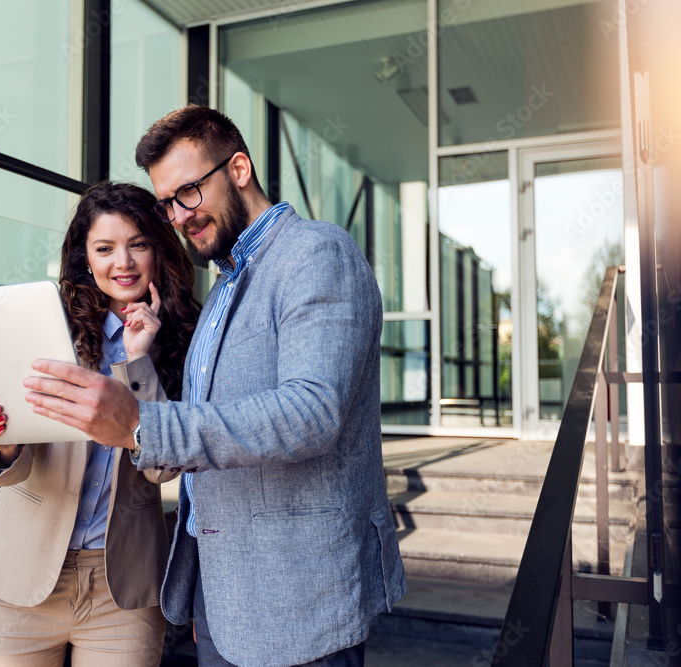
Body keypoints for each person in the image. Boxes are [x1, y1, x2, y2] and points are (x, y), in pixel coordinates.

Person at [22, 106, 407, 667]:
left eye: (190, 193)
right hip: (228, 597)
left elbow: (312, 412)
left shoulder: (315, 253)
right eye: (168, 203)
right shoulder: (227, 282)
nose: (179, 216)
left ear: (240, 169)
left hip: (298, 595)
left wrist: (138, 423)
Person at [0, 181, 200, 666]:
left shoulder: (188, 340)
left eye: (138, 244)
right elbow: (13, 458)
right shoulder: (47, 328)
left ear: (159, 250)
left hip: (123, 588)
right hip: (20, 573)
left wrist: (138, 362)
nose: (122, 262)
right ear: (85, 259)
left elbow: (162, 469)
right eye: (105, 248)